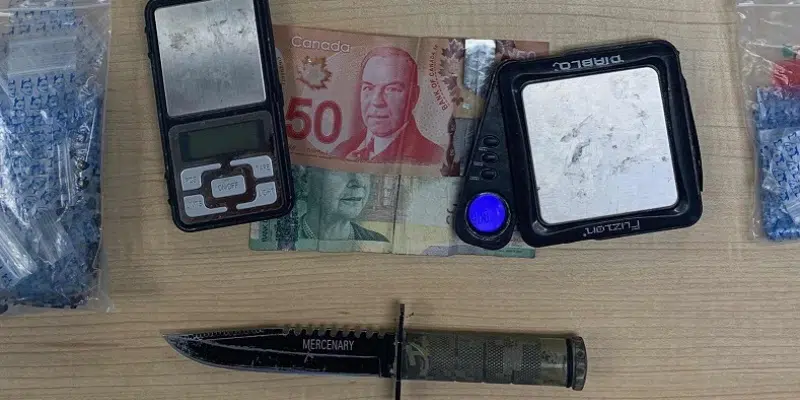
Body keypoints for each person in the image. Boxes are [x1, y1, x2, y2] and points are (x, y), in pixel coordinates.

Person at [332, 47, 445, 164]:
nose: (377, 101)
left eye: (391, 89)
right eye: (368, 88)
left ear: (414, 96)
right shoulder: (341, 151)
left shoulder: (435, 158)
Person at [298, 167, 389, 242]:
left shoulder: (379, 242)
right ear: (305, 181)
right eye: (341, 169)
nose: (360, 182)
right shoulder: (289, 239)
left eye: (364, 171)